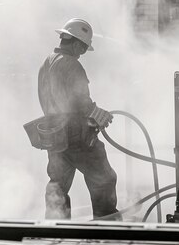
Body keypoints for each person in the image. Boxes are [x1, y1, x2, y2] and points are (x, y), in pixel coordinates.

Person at [37, 18, 118, 220]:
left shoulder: (46, 63)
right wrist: (98, 114)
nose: (82, 54)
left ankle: (57, 228)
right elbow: (80, 102)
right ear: (75, 43)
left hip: (55, 137)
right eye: (82, 48)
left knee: (57, 186)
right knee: (104, 179)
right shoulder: (72, 65)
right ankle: (107, 227)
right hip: (77, 138)